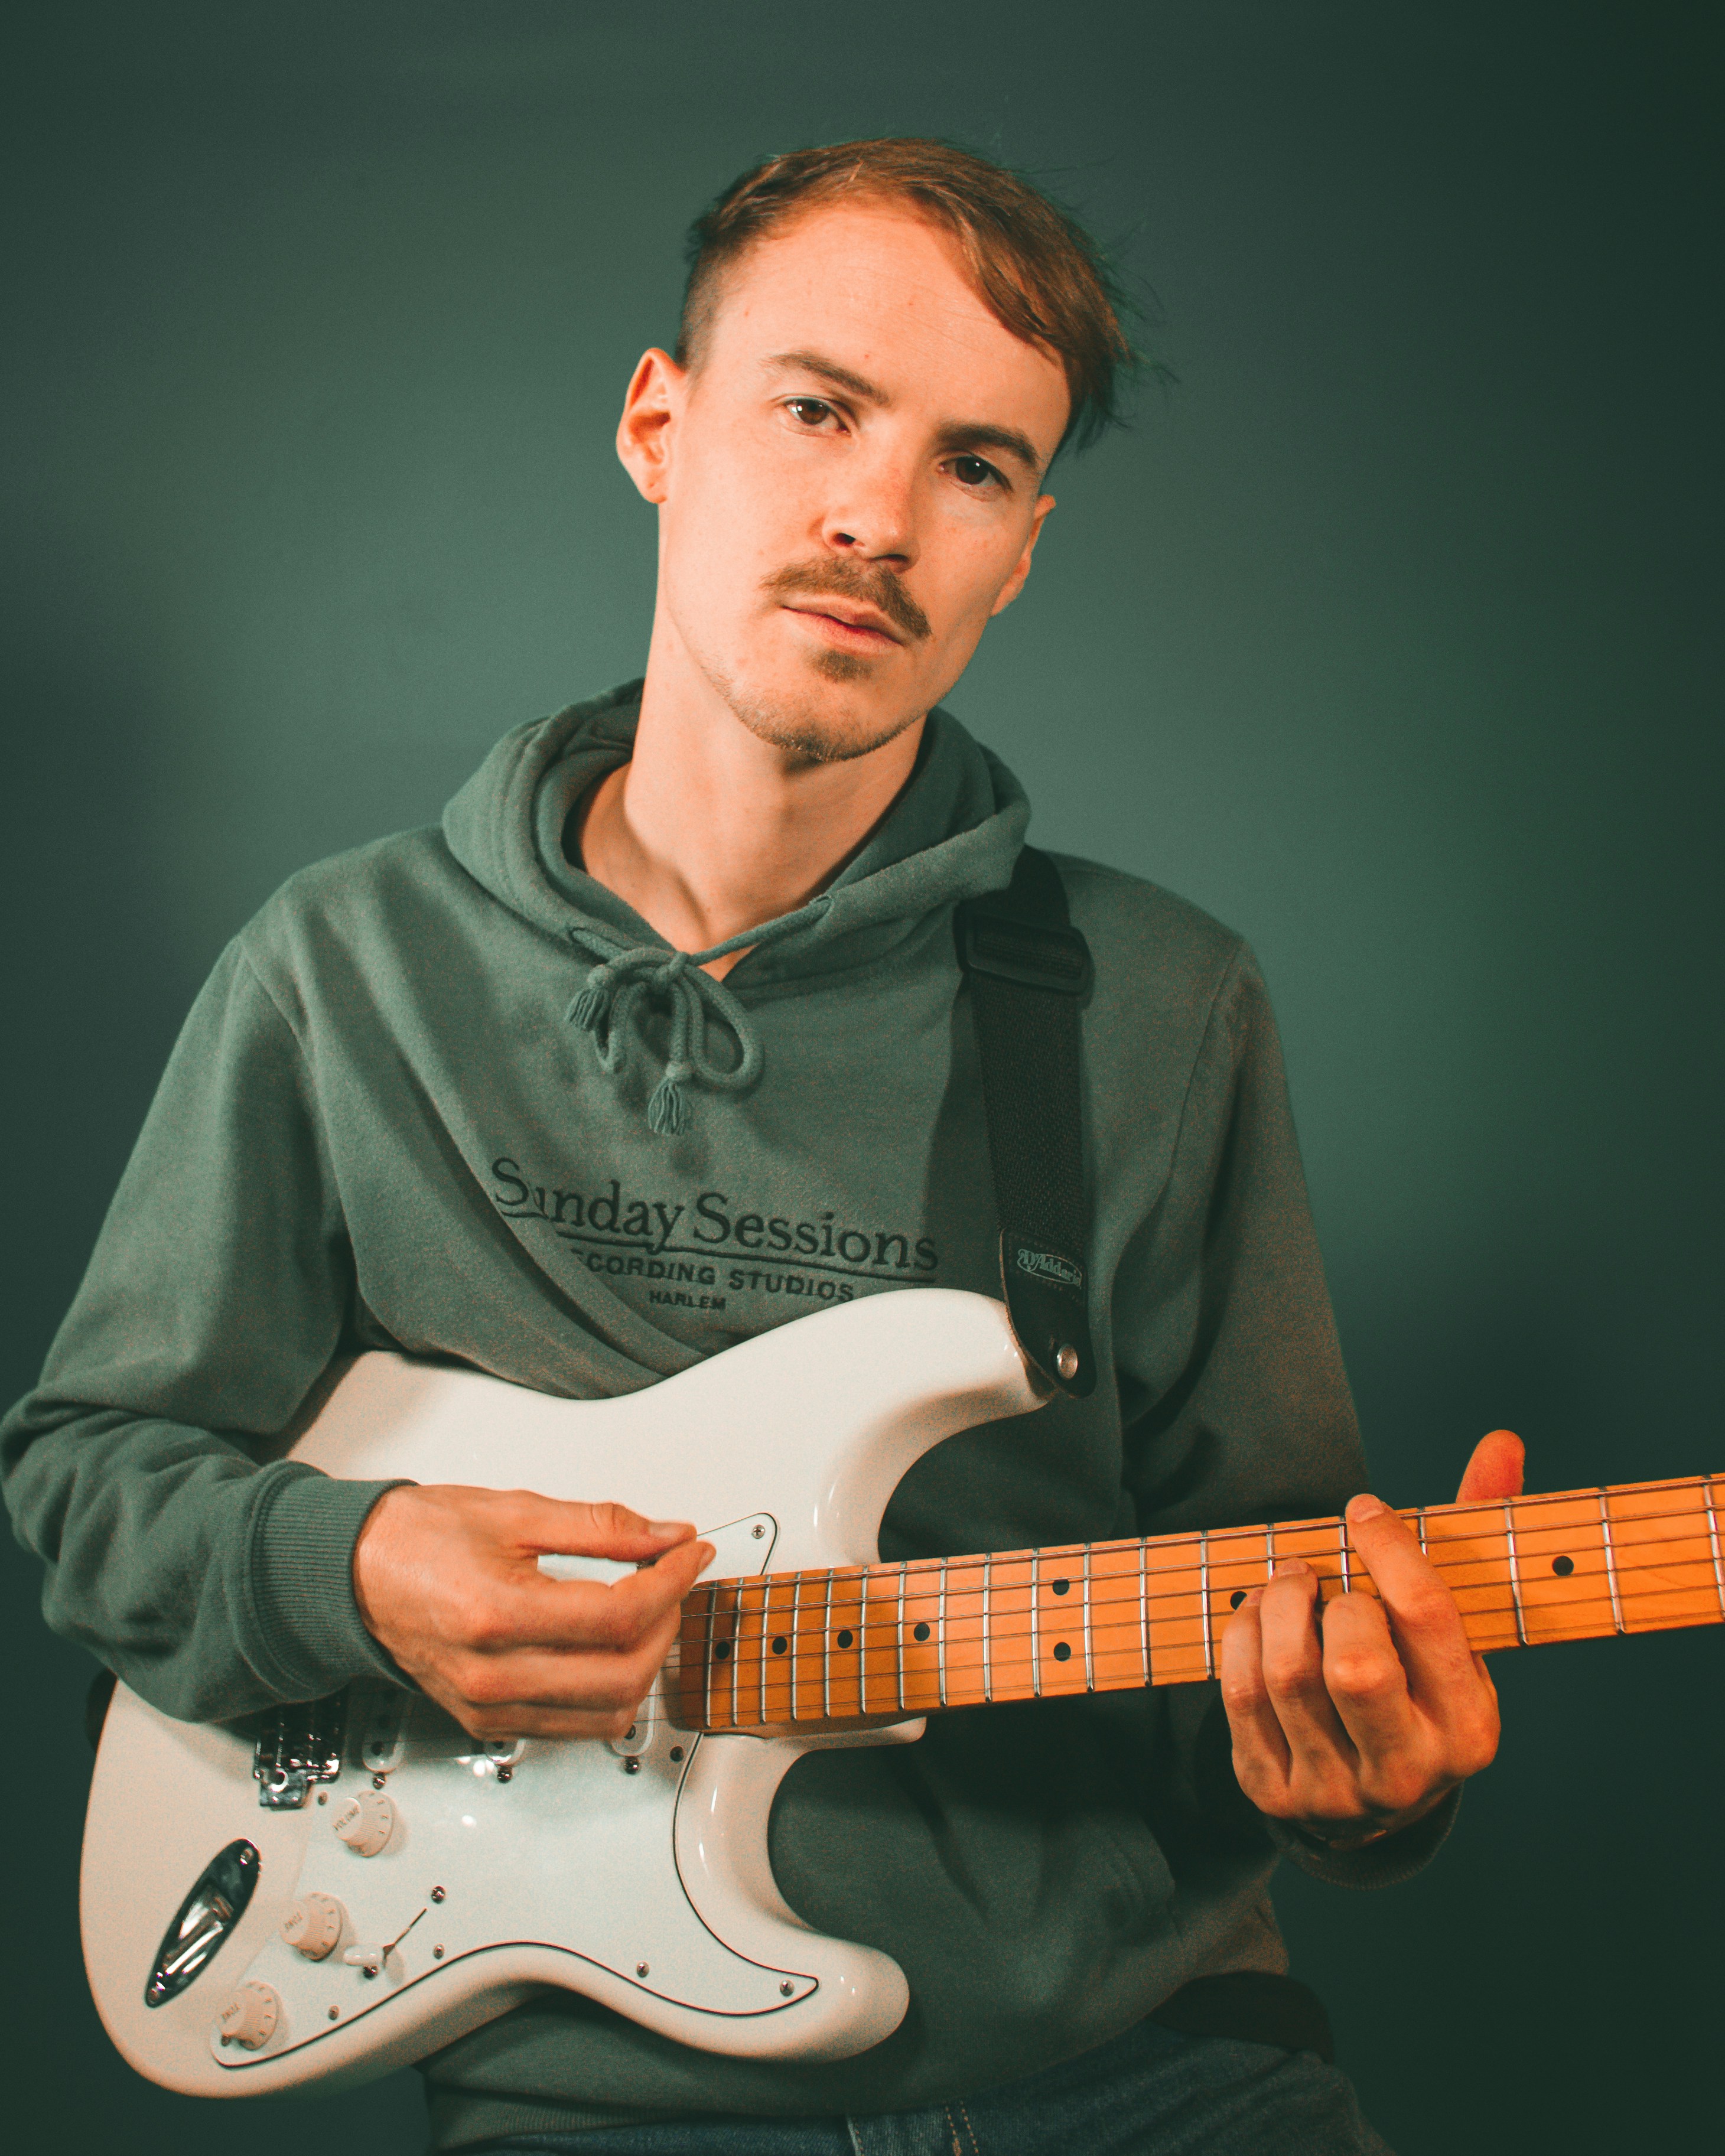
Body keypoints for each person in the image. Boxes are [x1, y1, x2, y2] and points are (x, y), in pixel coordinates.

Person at [2, 139, 1522, 2155]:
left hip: (1142, 2068)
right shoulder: (340, 971)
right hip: (605, 2094)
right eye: (820, 408)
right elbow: (91, 1476)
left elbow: (1280, 1634)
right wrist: (352, 1567)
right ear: (660, 422)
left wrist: (1371, 1773)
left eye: (976, 467)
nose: (878, 516)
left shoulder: (1163, 1004)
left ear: (1024, 547)